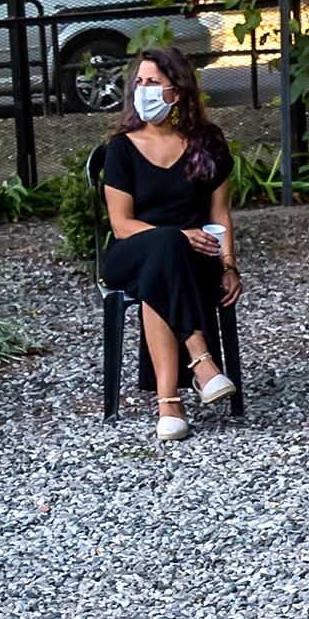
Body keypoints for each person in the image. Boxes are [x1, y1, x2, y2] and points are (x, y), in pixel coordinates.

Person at [92, 44, 240, 440]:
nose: (144, 90)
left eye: (153, 82)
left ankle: (168, 404)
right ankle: (201, 361)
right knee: (165, 247)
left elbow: (219, 214)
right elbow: (121, 225)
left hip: (194, 258)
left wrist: (228, 264)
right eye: (139, 82)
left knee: (166, 261)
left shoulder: (207, 142)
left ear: (178, 90)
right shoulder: (122, 148)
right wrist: (175, 235)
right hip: (131, 251)